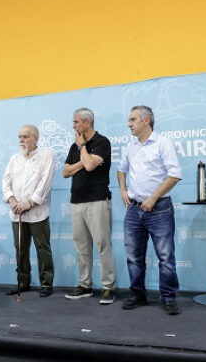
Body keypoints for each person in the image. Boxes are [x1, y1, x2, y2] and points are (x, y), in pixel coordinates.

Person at [117, 105, 182, 315]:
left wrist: (153, 198)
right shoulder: (130, 146)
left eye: (133, 119)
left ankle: (169, 297)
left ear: (146, 121)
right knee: (134, 256)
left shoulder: (163, 143)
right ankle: (137, 294)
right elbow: (121, 169)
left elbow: (174, 175)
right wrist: (123, 189)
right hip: (134, 210)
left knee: (165, 257)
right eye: (129, 120)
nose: (129, 124)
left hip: (159, 208)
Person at [63, 108, 116, 304]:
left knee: (103, 244)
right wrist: (82, 162)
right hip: (77, 201)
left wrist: (83, 147)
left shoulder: (102, 142)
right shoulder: (73, 146)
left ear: (87, 123)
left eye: (76, 122)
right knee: (81, 246)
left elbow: (91, 166)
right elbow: (66, 172)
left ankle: (108, 287)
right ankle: (85, 285)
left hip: (98, 199)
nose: (73, 126)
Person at [1, 124, 55, 297]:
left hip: (37, 212)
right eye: (20, 137)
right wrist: (12, 200)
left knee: (42, 249)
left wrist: (30, 203)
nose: (21, 140)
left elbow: (45, 183)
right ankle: (22, 282)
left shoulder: (46, 155)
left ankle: (46, 283)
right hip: (17, 213)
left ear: (36, 138)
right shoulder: (15, 158)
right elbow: (6, 181)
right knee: (20, 249)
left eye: (25, 136)